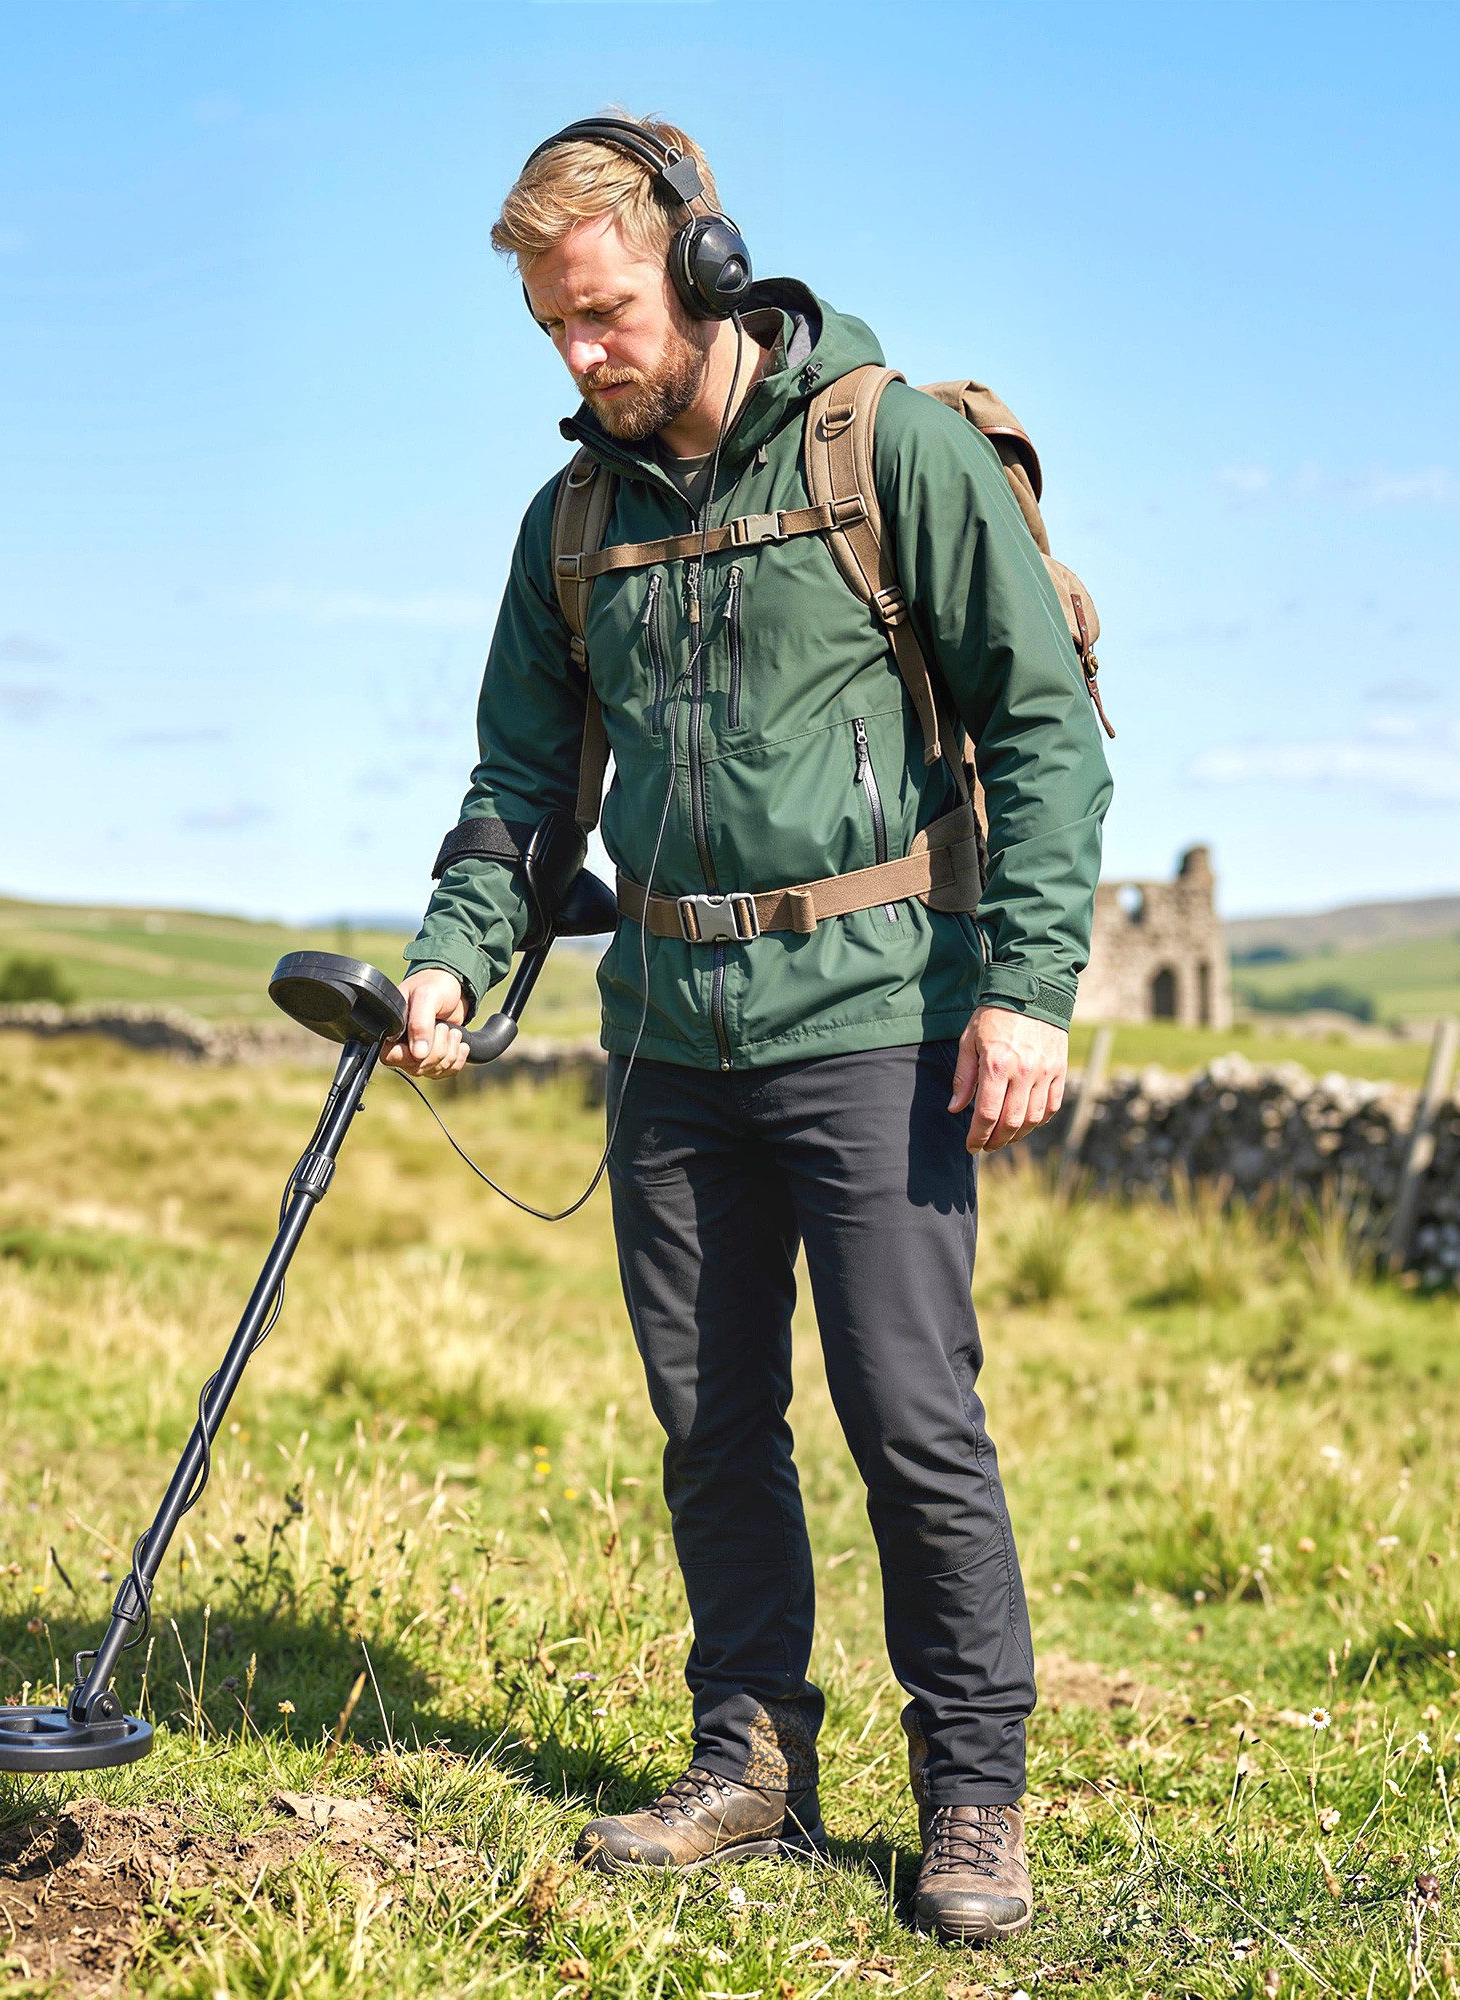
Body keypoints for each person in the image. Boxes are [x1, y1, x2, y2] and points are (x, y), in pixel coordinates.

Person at [387, 114, 1112, 1944]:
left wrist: (1027, 987)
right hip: (669, 1037)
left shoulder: (892, 448)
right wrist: (458, 953)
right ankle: (749, 1762)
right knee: (712, 1420)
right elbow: (519, 782)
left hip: (878, 1011)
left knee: (908, 1416)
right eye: (554, 327)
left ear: (701, 269)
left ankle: (970, 1796)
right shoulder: (573, 527)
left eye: (608, 313)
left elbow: (1044, 730)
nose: (583, 355)